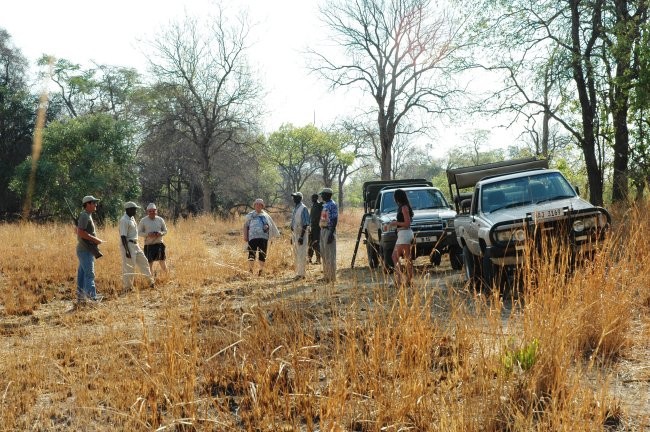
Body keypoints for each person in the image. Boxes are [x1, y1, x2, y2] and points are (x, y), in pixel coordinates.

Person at [76, 195, 105, 305]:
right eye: (93, 203)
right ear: (87, 204)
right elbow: (81, 232)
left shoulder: (87, 215)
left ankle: (81, 299)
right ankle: (93, 300)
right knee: (90, 274)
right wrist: (96, 240)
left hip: (85, 250)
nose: (95, 204)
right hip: (85, 250)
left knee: (82, 275)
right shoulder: (84, 216)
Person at [119, 201, 155, 291]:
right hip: (128, 245)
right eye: (134, 209)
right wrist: (127, 251)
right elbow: (123, 236)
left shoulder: (131, 218)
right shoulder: (124, 220)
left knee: (145, 262)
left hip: (136, 244)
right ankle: (128, 288)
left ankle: (150, 282)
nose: (136, 211)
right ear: (129, 209)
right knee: (129, 267)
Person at [243, 198, 280, 276]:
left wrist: (267, 227)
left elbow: (271, 226)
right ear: (254, 205)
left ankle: (261, 270)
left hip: (263, 238)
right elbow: (245, 226)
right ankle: (250, 270)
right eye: (256, 204)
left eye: (260, 204)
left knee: (262, 254)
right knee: (251, 253)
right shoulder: (250, 215)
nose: (258, 206)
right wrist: (245, 236)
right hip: (252, 238)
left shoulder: (266, 216)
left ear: (262, 206)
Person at [389, 189, 414, 286]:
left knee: (395, 257)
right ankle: (406, 281)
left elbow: (407, 224)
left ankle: (400, 281)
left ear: (397, 197)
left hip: (404, 234)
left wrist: (396, 223)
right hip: (403, 234)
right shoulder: (403, 207)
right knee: (406, 258)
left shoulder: (404, 207)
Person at [138, 203, 168, 274]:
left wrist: (160, 233)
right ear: (147, 211)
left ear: (156, 211)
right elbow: (139, 233)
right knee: (149, 264)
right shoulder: (143, 220)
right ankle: (151, 280)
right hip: (149, 245)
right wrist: (148, 234)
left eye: (153, 211)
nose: (152, 212)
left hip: (159, 244)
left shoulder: (160, 219)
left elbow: (165, 231)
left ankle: (167, 277)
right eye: (150, 211)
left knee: (162, 262)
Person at [318, 188, 338, 283]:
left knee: (330, 254)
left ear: (327, 195)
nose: (321, 196)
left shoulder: (332, 205)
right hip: (323, 230)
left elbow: (334, 220)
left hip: (329, 231)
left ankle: (331, 277)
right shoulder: (325, 205)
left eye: (322, 194)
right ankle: (326, 275)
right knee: (324, 253)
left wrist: (331, 233)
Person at [290, 192, 310, 280]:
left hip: (301, 234)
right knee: (296, 254)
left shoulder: (303, 208)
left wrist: (301, 237)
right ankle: (298, 273)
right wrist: (292, 236)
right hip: (295, 233)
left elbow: (306, 224)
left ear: (300, 198)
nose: (293, 198)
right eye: (293, 197)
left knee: (301, 253)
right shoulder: (295, 208)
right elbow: (293, 223)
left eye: (295, 197)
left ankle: (302, 274)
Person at [308, 193, 322, 264]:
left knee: (316, 243)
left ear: (316, 198)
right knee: (310, 243)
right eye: (312, 198)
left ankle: (318, 259)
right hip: (312, 227)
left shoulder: (319, 205)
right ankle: (309, 259)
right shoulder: (313, 205)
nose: (312, 199)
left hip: (317, 227)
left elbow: (319, 217)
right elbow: (311, 217)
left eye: (314, 198)